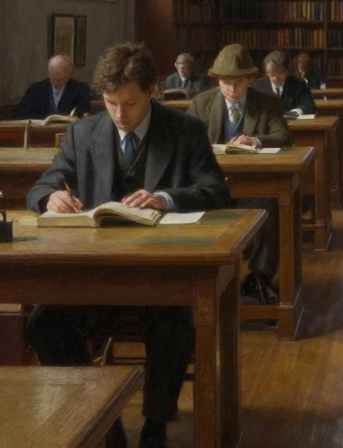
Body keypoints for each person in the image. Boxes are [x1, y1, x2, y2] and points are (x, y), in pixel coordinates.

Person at [25, 42, 231, 448]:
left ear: (151, 92)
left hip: (161, 277)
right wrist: (51, 197)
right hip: (92, 276)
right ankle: (105, 421)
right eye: (111, 103)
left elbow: (216, 190)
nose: (120, 115)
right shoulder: (83, 133)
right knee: (43, 323)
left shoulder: (184, 129)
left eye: (131, 104)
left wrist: (166, 199)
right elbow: (44, 184)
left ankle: (155, 425)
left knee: (176, 326)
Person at [188, 44, 292, 303]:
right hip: (210, 187)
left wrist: (255, 141)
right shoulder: (202, 102)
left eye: (238, 83)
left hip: (252, 186)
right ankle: (198, 283)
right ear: (216, 80)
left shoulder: (266, 102)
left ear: (250, 79)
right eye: (225, 83)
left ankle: (259, 280)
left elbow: (284, 136)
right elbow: (186, 143)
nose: (231, 90)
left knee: (268, 210)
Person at [12, 55, 92, 119]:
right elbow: (20, 113)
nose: (55, 83)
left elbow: (84, 113)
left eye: (60, 79)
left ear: (69, 74)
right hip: (39, 133)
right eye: (52, 79)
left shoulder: (80, 89)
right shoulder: (35, 89)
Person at [252, 51, 316, 115]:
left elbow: (310, 108)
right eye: (272, 75)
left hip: (293, 123)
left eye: (280, 74)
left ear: (287, 71)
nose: (276, 78)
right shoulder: (257, 86)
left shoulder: (299, 85)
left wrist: (296, 112)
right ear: (266, 73)